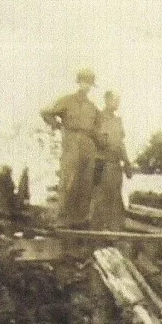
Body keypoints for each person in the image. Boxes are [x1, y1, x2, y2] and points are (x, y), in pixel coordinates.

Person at [41, 68, 99, 228]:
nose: (86, 86)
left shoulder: (92, 107)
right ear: (79, 82)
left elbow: (98, 128)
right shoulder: (67, 101)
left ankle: (80, 219)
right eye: (84, 82)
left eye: (89, 84)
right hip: (72, 140)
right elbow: (46, 113)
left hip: (88, 142)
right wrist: (59, 126)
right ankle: (63, 218)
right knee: (69, 177)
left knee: (86, 180)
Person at [90, 90, 132, 231]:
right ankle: (96, 229)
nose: (117, 104)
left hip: (115, 164)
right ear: (107, 100)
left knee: (115, 196)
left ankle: (115, 230)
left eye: (118, 101)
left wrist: (127, 162)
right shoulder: (98, 118)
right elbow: (94, 138)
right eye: (115, 100)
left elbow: (120, 143)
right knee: (100, 196)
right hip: (102, 162)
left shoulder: (117, 121)